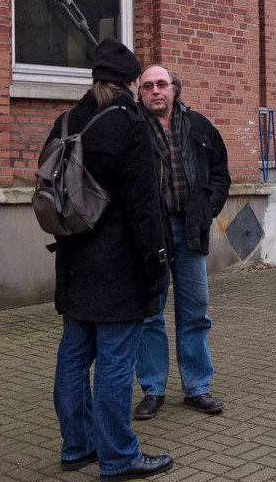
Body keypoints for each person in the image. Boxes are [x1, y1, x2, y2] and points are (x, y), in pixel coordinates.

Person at [47, 38, 174, 480]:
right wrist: (157, 264)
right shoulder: (130, 123)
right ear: (131, 81)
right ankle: (119, 457)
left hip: (73, 258)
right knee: (117, 362)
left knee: (74, 356)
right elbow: (144, 207)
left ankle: (76, 447)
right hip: (118, 265)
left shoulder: (66, 120)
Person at [132, 65, 231, 419]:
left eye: (162, 84)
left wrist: (208, 208)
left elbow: (220, 171)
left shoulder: (199, 125)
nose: (155, 91)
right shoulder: (132, 127)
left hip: (189, 232)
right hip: (150, 236)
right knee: (149, 316)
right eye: (148, 86)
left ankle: (196, 387)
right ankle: (153, 389)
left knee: (194, 313)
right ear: (139, 92)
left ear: (175, 89)